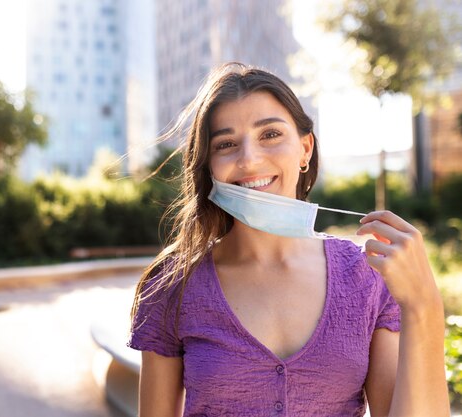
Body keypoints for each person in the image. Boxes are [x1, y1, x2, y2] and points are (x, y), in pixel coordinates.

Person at [128, 62, 449, 417]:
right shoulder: (173, 285)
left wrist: (424, 307)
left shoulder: (366, 277)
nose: (249, 159)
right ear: (210, 167)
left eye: (270, 135)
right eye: (226, 143)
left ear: (305, 149)